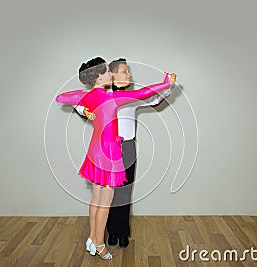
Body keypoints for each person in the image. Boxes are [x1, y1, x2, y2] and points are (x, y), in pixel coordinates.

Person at [56, 57, 175, 260]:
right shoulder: (109, 98)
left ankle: (92, 238)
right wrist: (166, 82)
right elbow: (143, 93)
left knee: (96, 199)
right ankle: (100, 244)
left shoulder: (90, 95)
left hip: (95, 150)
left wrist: (84, 101)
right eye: (108, 72)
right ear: (101, 75)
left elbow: (61, 98)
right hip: (110, 152)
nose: (112, 74)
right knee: (105, 201)